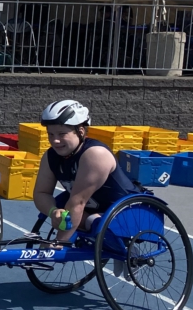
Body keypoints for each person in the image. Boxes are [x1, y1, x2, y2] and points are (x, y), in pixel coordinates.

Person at [32, 100, 140, 246]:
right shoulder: (51, 156)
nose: (55, 141)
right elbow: (41, 193)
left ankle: (126, 250)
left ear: (80, 131)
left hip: (129, 214)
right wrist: (53, 211)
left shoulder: (95, 154)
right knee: (75, 215)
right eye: (50, 134)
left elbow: (78, 202)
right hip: (93, 212)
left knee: (92, 220)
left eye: (62, 134)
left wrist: (58, 243)